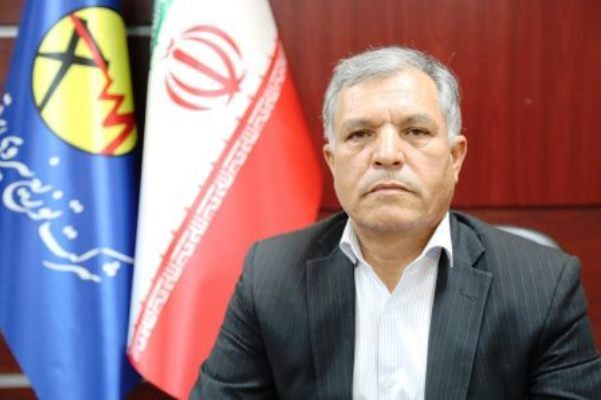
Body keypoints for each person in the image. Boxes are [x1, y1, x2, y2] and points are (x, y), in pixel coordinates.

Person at [193, 46, 601, 399]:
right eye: (360, 134)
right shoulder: (270, 276)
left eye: (415, 131)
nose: (387, 154)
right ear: (332, 162)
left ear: (455, 158)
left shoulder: (543, 286)